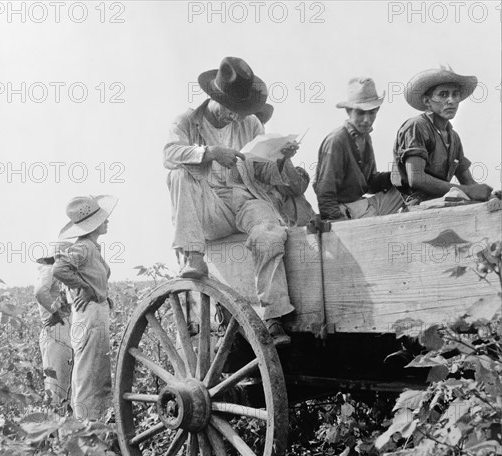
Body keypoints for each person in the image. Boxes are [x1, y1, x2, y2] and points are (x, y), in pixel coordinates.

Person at [164, 56, 305, 346]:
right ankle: (193, 257)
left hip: (243, 198)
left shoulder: (251, 122)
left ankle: (274, 316)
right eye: (232, 110)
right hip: (208, 206)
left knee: (270, 231)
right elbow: (169, 154)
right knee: (178, 176)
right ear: (215, 97)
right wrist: (210, 152)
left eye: (242, 111)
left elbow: (262, 169)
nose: (237, 117)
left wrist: (281, 158)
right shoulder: (187, 122)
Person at [53, 195, 118, 421]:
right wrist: (85, 289)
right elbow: (59, 269)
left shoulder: (91, 248)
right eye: (103, 218)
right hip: (89, 315)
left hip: (95, 313)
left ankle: (96, 425)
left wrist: (101, 295)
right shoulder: (83, 247)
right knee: (89, 373)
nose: (107, 221)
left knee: (97, 370)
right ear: (93, 224)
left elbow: (91, 277)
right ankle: (86, 425)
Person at [392, 66, 493, 204]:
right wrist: (468, 191)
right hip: (414, 204)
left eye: (455, 94)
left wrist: (490, 195)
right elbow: (416, 179)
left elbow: (468, 182)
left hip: (441, 201)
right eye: (443, 95)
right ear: (427, 101)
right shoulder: (417, 126)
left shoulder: (454, 137)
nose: (451, 101)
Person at [314, 77, 404, 222]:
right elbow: (325, 191)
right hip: (344, 212)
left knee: (409, 185)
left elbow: (370, 183)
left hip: (362, 206)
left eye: (372, 113)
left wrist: (397, 174)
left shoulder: (365, 137)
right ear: (349, 112)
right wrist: (338, 224)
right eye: (361, 113)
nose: (367, 120)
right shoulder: (337, 141)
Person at [34, 241, 73, 409]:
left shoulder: (56, 275)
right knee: (55, 387)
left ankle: (60, 430)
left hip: (62, 333)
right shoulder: (49, 270)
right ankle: (51, 432)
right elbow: (39, 291)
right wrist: (56, 312)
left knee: (63, 385)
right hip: (55, 333)